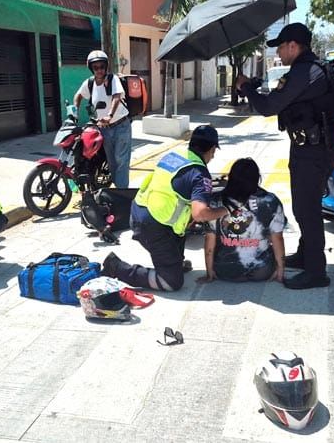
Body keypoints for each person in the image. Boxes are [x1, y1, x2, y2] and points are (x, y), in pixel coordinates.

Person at [236, 23, 334, 290]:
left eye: (281, 48)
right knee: (307, 206)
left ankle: (317, 272)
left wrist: (247, 88)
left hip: (314, 149)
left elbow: (269, 107)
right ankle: (307, 256)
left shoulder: (306, 72)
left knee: (306, 210)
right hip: (315, 146)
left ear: (293, 46)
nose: (279, 54)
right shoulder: (308, 70)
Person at [101, 125, 230, 291]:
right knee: (171, 282)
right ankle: (117, 268)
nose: (213, 156)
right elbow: (200, 214)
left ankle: (173, 263)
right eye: (214, 151)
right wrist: (226, 210)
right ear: (212, 149)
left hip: (140, 212)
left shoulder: (175, 155)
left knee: (183, 228)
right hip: (153, 227)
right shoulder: (199, 174)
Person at [200, 158, 286, 283]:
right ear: (257, 178)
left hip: (226, 269)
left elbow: (210, 240)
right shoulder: (270, 201)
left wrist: (209, 272)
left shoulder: (216, 201)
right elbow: (277, 238)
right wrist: (280, 270)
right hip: (262, 270)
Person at [70, 50, 132, 188]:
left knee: (121, 160)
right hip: (104, 128)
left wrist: (110, 114)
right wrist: (74, 112)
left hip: (121, 125)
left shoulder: (112, 79)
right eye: (96, 67)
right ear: (91, 68)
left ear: (106, 67)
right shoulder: (90, 83)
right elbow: (78, 96)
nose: (99, 70)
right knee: (112, 162)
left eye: (102, 67)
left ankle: (122, 193)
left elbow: (117, 96)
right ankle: (115, 188)